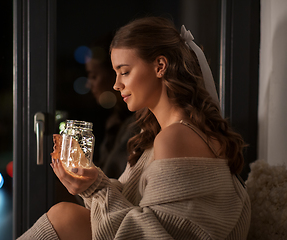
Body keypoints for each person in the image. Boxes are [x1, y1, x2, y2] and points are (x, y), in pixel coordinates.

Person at [18, 16, 251, 240]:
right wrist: (91, 181)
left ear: (160, 66)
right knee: (64, 214)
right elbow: (137, 205)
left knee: (64, 216)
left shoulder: (176, 137)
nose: (117, 85)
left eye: (125, 72)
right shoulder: (158, 134)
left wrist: (94, 188)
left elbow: (151, 234)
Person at [85, 33, 137, 179]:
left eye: (94, 76)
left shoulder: (136, 125)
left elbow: (110, 181)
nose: (89, 84)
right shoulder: (115, 119)